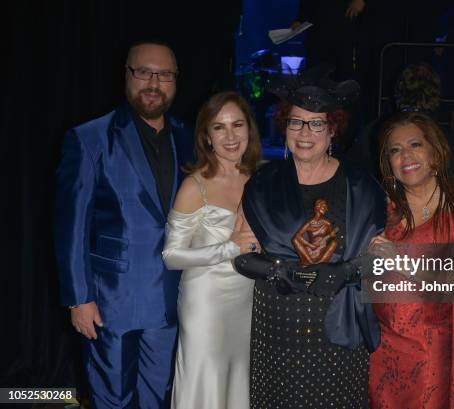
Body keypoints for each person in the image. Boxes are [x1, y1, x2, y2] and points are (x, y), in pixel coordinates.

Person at [232, 67, 386, 407]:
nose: (305, 132)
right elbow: (242, 254)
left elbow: (382, 257)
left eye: (317, 123)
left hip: (339, 326)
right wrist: (278, 271)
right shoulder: (262, 184)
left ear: (332, 130)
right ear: (285, 126)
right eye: (296, 122)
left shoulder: (362, 187)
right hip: (278, 324)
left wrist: (345, 272)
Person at [54, 41, 193, 408]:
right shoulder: (89, 138)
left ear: (175, 81)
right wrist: (78, 298)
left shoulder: (189, 136)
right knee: (112, 400)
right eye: (143, 72)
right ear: (127, 75)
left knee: (159, 399)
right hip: (112, 301)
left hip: (175, 300)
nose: (153, 82)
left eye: (164, 74)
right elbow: (71, 227)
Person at [368, 111, 454, 408]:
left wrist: (403, 264)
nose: (405, 155)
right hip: (377, 344)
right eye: (395, 150)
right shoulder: (379, 207)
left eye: (415, 145)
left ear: (435, 152)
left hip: (430, 345)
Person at [161, 91, 262, 408]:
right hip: (205, 304)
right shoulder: (196, 185)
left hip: (247, 301)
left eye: (238, 125)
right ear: (206, 136)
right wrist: (228, 247)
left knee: (238, 381)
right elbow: (170, 256)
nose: (230, 136)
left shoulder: (257, 179)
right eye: (219, 127)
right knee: (205, 380)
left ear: (249, 130)